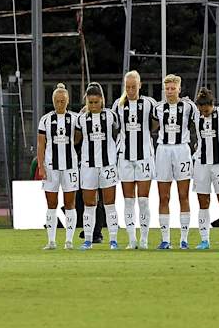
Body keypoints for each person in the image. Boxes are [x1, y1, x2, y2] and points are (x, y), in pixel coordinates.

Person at [154, 74, 199, 249]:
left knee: (183, 196)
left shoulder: (188, 107)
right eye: (168, 88)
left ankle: (184, 239)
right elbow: (151, 125)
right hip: (163, 150)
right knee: (163, 196)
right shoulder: (157, 108)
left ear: (179, 89)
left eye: (173, 88)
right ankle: (165, 239)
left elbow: (201, 122)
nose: (170, 92)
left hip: (182, 150)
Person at [113, 70, 155, 249]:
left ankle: (144, 239)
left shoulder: (149, 104)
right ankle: (132, 239)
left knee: (143, 200)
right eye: (127, 87)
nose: (130, 90)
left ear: (140, 85)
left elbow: (156, 124)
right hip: (124, 157)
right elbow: (112, 125)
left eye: (133, 86)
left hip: (144, 156)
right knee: (128, 200)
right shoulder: (118, 105)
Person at [74, 83, 119, 250]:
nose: (93, 106)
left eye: (96, 102)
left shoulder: (111, 116)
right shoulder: (81, 118)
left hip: (107, 165)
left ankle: (113, 240)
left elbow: (119, 132)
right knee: (89, 204)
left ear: (102, 100)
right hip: (88, 165)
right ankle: (87, 239)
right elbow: (77, 139)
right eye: (90, 102)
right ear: (86, 101)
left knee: (109, 203)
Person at [37, 83, 82, 250]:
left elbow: (79, 138)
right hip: (51, 166)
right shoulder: (46, 120)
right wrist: (41, 166)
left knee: (70, 204)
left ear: (68, 101)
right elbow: (41, 144)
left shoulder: (75, 119)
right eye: (57, 101)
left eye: (63, 101)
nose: (60, 104)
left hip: (70, 167)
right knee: (51, 203)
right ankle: (51, 241)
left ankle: (69, 241)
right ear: (53, 101)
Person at [192, 88, 219, 249]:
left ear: (213, 105)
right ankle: (204, 240)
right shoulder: (195, 114)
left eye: (207, 110)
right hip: (201, 164)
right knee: (203, 202)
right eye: (201, 110)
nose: (204, 113)